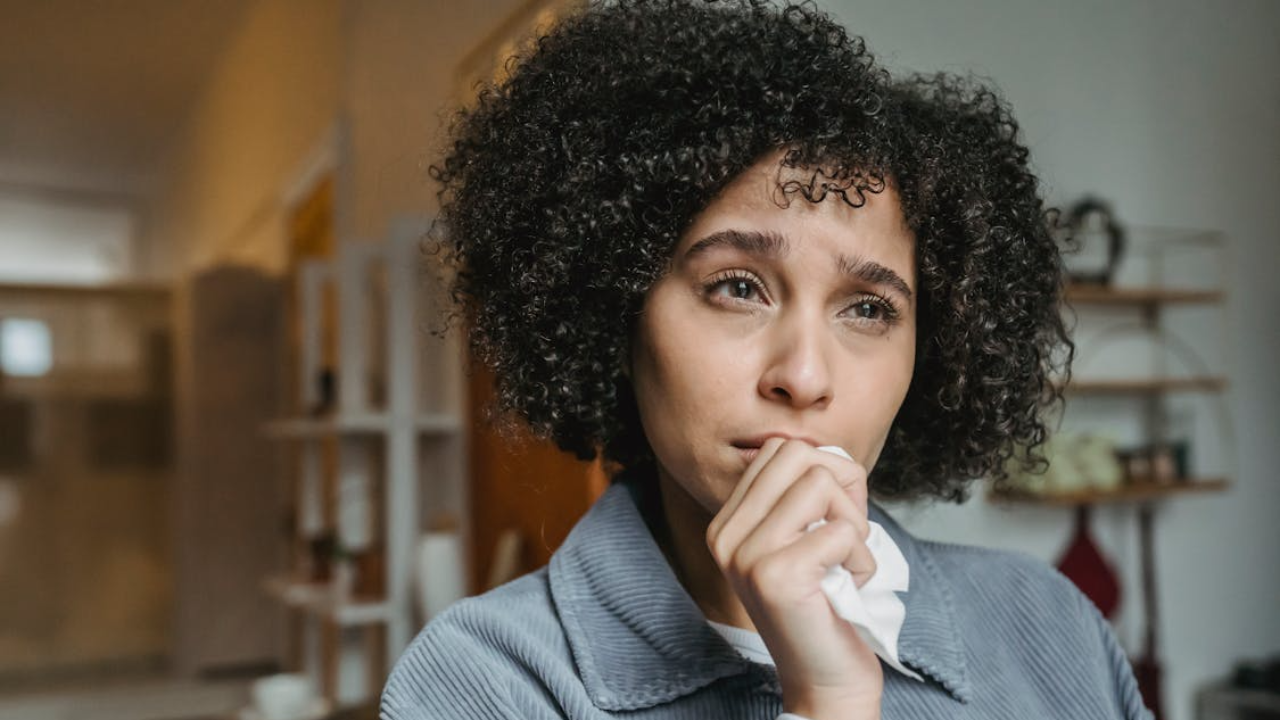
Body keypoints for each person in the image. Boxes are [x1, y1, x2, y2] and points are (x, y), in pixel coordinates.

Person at [382, 1, 1152, 718]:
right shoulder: (481, 680)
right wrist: (827, 697)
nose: (805, 376)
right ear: (616, 313)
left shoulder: (1047, 625)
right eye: (738, 288)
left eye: (868, 309)